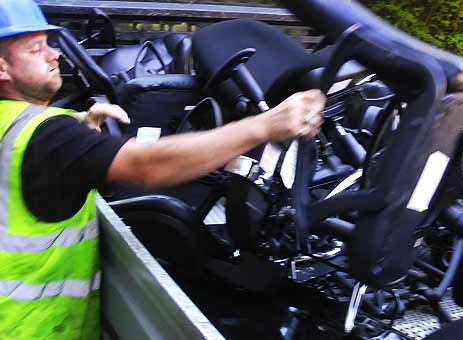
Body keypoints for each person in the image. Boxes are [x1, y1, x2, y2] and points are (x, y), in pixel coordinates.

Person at [0, 0, 325, 339]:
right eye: (36, 49)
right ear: (2, 69)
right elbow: (147, 167)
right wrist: (266, 126)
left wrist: (79, 128)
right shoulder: (49, 137)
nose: (54, 55)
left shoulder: (31, 130)